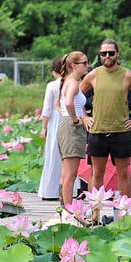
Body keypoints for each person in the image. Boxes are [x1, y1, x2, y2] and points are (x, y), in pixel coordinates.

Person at [79, 40, 131, 200]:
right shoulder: (93, 74)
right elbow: (78, 95)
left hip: (121, 131)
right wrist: (84, 117)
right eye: (103, 53)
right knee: (97, 173)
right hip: (98, 131)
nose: (107, 56)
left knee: (123, 172)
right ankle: (95, 211)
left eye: (111, 53)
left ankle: (124, 211)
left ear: (117, 54)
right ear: (100, 55)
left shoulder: (128, 75)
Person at [56, 52, 91, 207]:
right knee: (71, 174)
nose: (87, 65)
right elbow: (69, 103)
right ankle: (68, 210)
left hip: (65, 125)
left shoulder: (68, 81)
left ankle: (65, 207)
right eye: (84, 63)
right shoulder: (73, 83)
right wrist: (77, 119)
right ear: (73, 65)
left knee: (66, 173)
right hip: (72, 127)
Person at [38, 57, 65, 200]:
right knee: (67, 157)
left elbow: (47, 109)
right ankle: (69, 190)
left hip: (55, 121)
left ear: (55, 71)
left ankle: (50, 191)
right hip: (68, 120)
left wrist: (43, 128)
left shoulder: (52, 85)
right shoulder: (74, 83)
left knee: (53, 155)